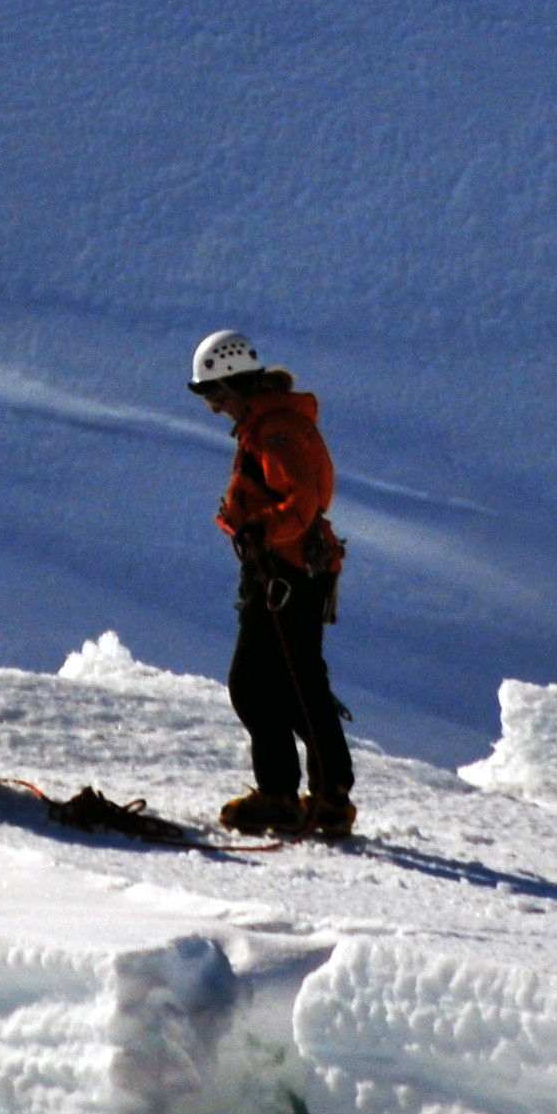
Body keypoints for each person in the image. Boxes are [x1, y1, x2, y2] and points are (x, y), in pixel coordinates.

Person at [189, 328, 357, 839]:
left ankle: (287, 795)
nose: (213, 407)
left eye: (215, 395)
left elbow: (302, 500)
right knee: (295, 683)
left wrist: (262, 528)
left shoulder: (274, 429)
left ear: (236, 385)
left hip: (285, 573)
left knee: (262, 683)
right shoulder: (269, 424)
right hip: (289, 571)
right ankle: (321, 796)